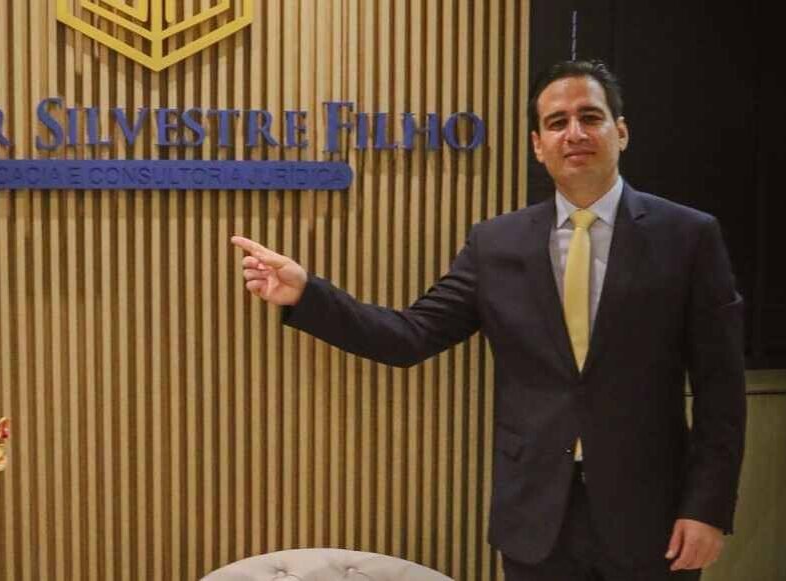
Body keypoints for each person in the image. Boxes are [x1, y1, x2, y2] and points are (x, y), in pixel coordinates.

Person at [231, 60, 746, 581]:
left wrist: (707, 508)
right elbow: (410, 336)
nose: (574, 133)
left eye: (590, 117)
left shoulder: (687, 236)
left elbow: (720, 389)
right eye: (557, 122)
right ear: (538, 145)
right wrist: (309, 293)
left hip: (654, 518)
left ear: (621, 131)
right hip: (536, 523)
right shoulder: (496, 244)